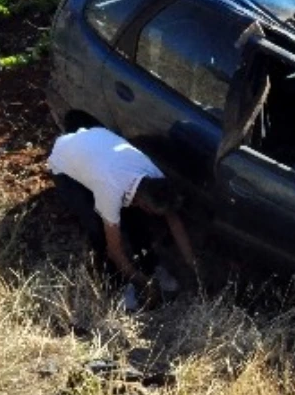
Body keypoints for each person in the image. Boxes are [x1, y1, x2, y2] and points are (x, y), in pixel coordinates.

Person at [47, 127, 198, 304]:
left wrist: (193, 264)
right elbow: (115, 251)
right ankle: (117, 285)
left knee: (137, 222)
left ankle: (151, 265)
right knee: (98, 230)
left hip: (94, 144)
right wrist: (144, 284)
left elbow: (174, 221)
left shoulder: (155, 176)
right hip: (65, 163)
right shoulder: (110, 190)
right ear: (143, 203)